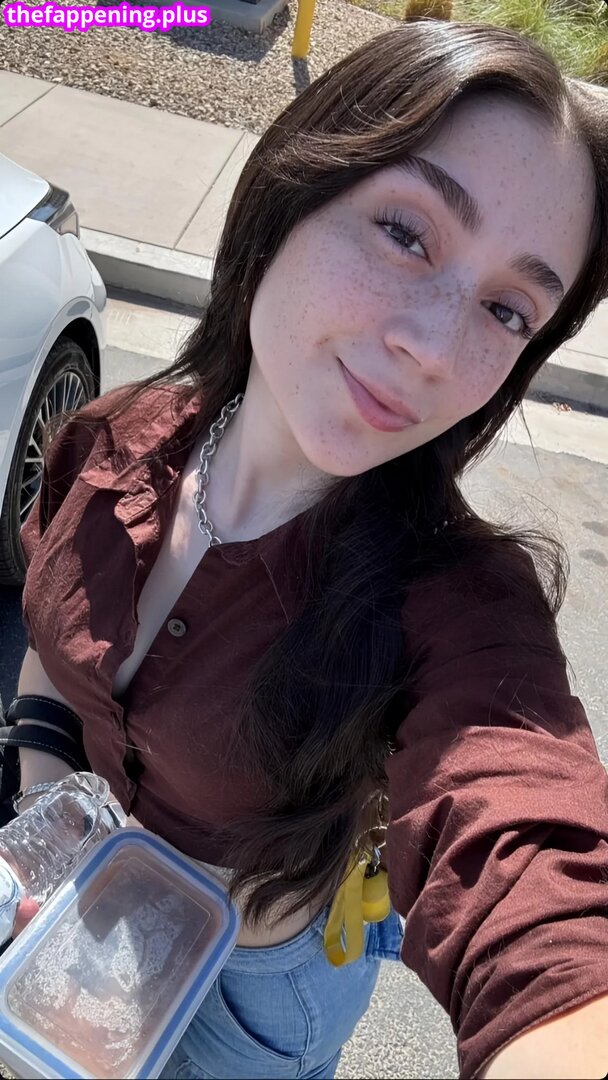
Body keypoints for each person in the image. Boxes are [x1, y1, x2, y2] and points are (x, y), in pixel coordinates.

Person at [7, 18, 608, 1080]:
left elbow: (532, 870)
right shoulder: (109, 441)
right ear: (293, 193)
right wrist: (46, 818)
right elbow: (53, 656)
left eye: (508, 309)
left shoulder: (454, 603)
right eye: (407, 232)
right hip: (85, 920)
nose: (431, 346)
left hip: (258, 997)